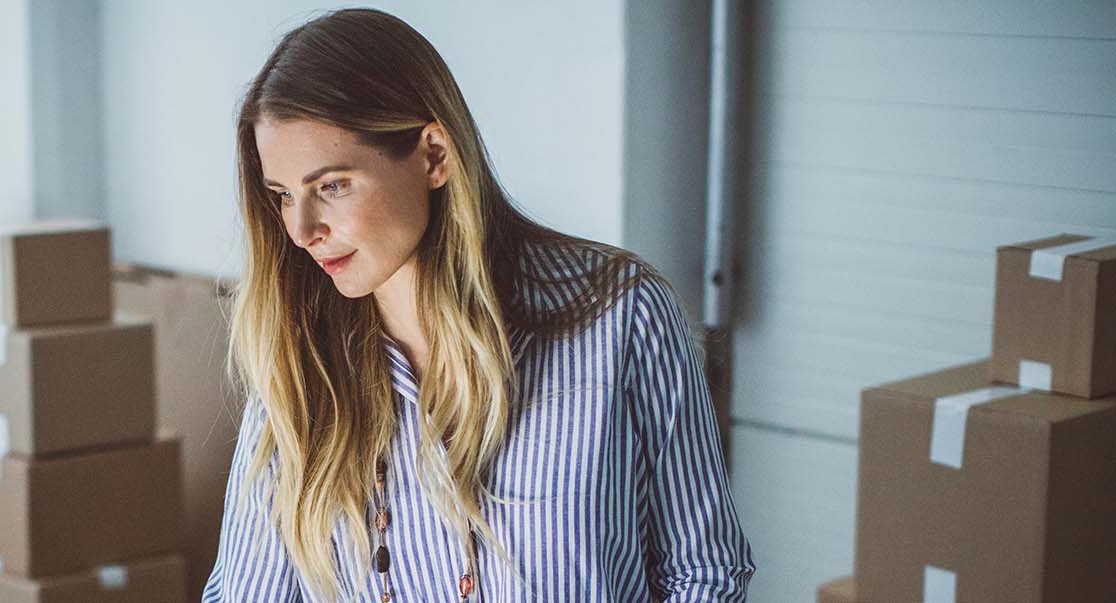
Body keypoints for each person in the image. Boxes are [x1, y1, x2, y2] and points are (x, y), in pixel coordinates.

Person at [202, 8, 755, 602]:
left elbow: (706, 573)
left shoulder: (620, 317)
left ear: (434, 155)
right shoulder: (299, 365)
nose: (302, 228)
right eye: (283, 196)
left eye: (331, 186)